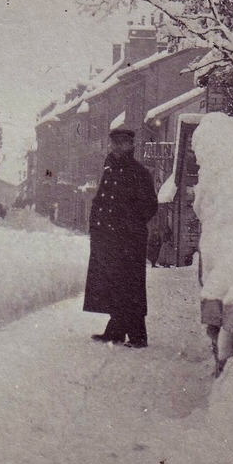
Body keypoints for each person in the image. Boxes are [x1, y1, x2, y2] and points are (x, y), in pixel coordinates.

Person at [83, 127, 159, 348]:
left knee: (130, 287)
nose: (117, 146)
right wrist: (95, 226)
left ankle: (138, 336)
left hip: (129, 241)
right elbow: (100, 200)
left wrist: (129, 224)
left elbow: (150, 206)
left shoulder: (139, 172)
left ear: (131, 145)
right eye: (115, 142)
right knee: (114, 284)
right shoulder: (109, 171)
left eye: (122, 142)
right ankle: (115, 331)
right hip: (108, 239)